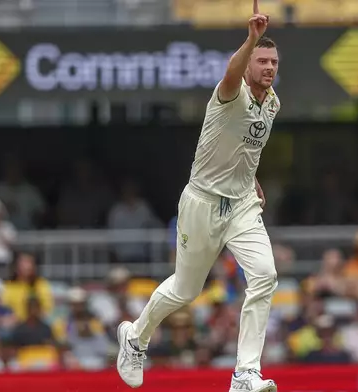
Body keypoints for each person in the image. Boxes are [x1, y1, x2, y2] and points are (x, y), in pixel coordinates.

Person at [115, 2, 280, 391]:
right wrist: (251, 38)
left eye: (274, 61)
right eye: (263, 61)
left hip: (241, 204)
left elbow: (246, 147)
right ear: (249, 64)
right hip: (202, 203)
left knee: (266, 276)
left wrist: (252, 178)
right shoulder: (230, 92)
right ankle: (135, 338)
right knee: (186, 290)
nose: (269, 68)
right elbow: (230, 73)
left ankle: (245, 374)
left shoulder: (272, 103)